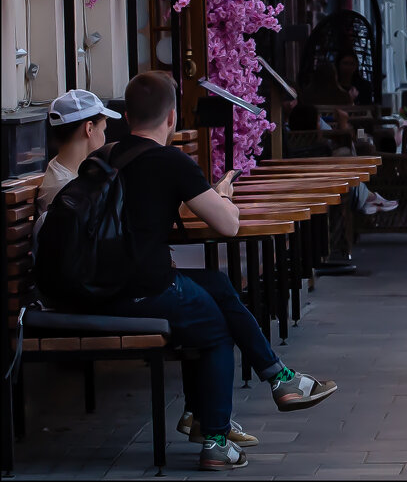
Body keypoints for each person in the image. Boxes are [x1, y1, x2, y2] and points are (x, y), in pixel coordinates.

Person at [93, 71, 337, 471]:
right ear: (172, 118)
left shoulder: (105, 156)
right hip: (145, 290)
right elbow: (228, 225)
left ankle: (279, 379)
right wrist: (224, 196)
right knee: (216, 326)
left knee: (218, 285)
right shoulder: (169, 160)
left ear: (126, 115)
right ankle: (218, 439)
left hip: (99, 287)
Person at [34, 89, 122, 252]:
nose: (105, 137)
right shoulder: (65, 191)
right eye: (103, 130)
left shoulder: (64, 174)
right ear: (89, 129)